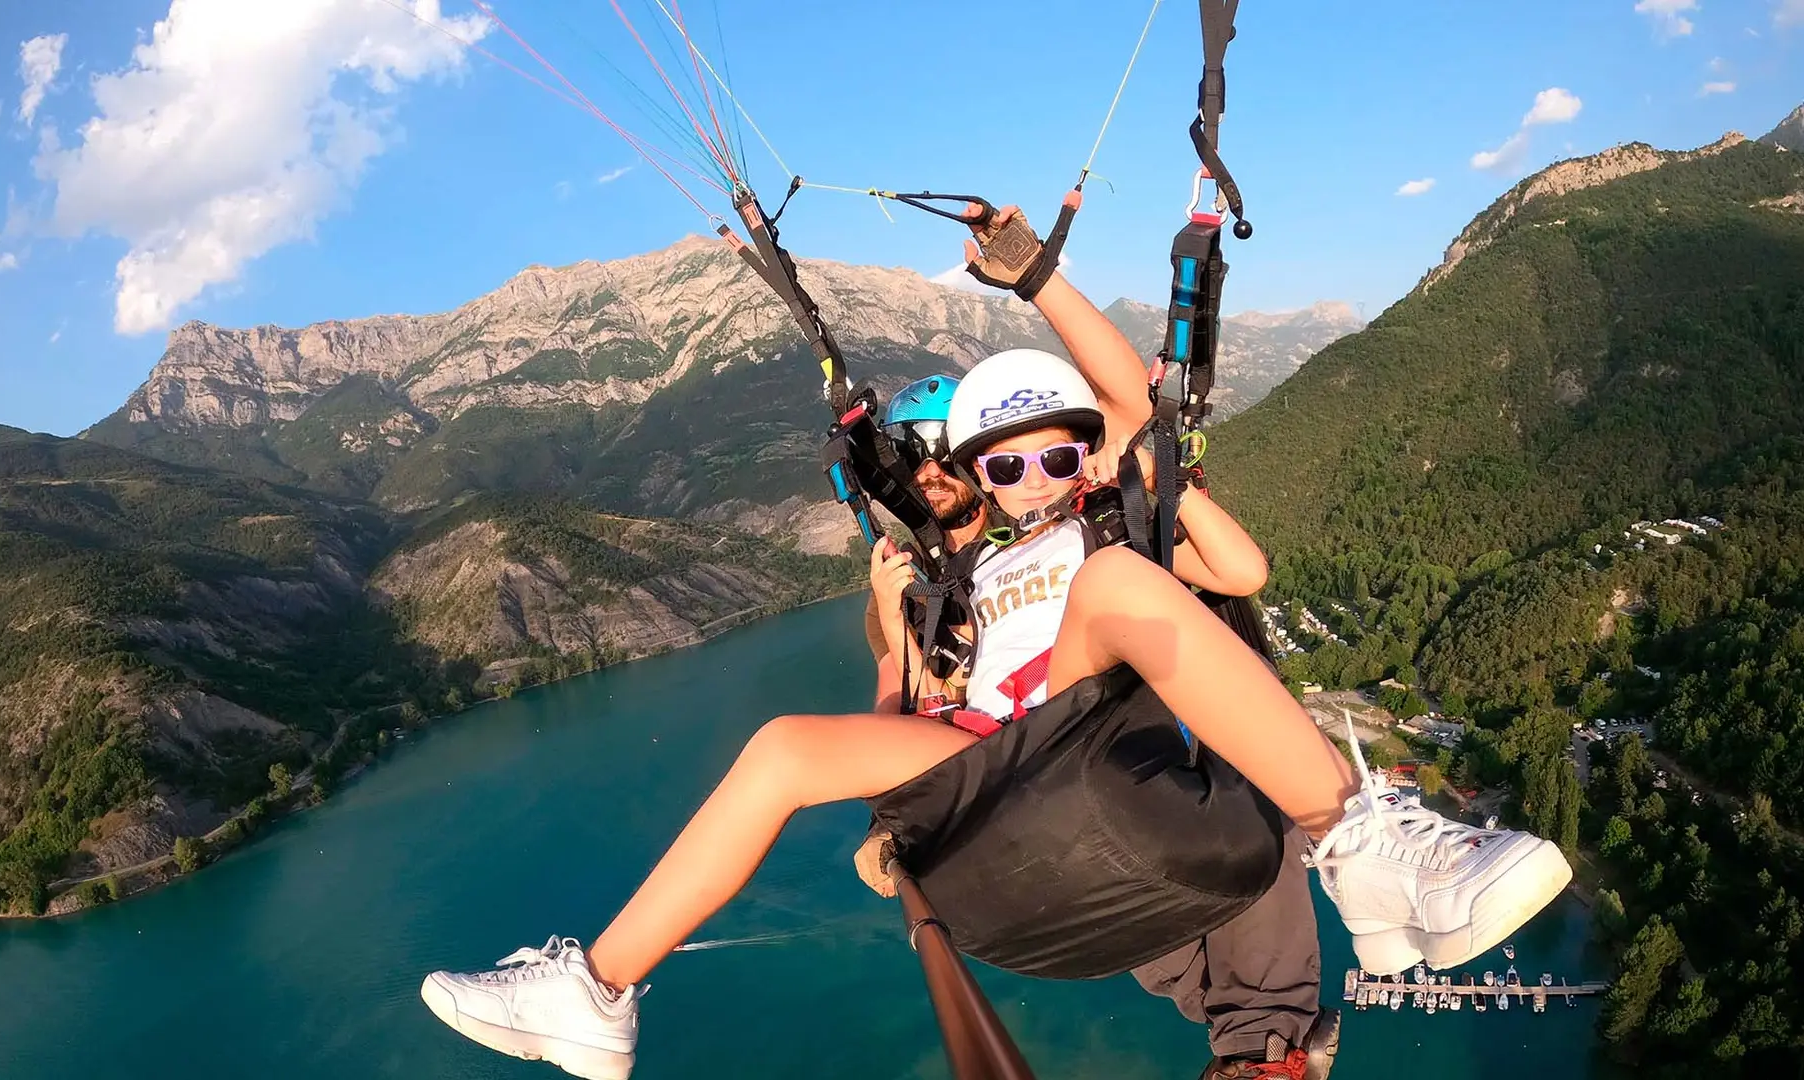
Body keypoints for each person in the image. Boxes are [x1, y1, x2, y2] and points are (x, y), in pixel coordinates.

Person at [416, 224, 1569, 1080]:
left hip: (1086, 727)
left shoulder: (1106, 525)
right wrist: (893, 787)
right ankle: (598, 991)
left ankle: (1359, 840)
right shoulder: (951, 582)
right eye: (999, 467)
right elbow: (904, 679)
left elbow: (1132, 412)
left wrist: (1035, 279)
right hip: (1002, 765)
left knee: (1117, 578)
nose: (1026, 483)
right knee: (776, 749)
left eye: (1044, 461)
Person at [858, 375, 1338, 1080]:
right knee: (1162, 907)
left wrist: (1149, 461)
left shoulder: (1076, 526)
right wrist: (890, 803)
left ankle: (1259, 1046)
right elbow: (893, 720)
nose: (928, 470)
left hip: (1108, 742)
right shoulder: (907, 590)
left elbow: (1214, 562)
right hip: (1036, 788)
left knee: (1226, 795)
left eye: (940, 447)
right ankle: (1263, 1041)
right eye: (910, 452)